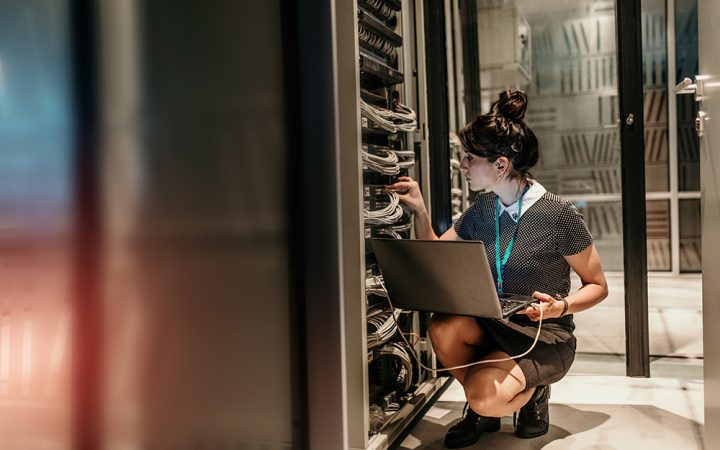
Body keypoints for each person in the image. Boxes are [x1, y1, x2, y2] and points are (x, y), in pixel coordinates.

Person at [387, 90, 608, 448]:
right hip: (492, 323)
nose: (462, 165)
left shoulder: (558, 215)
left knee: (484, 396)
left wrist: (560, 307)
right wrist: (419, 210)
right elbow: (436, 257)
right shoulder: (482, 209)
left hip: (542, 332)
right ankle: (484, 403)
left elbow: (597, 285)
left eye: (469, 158)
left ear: (501, 165)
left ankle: (528, 394)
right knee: (443, 327)